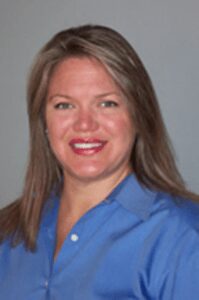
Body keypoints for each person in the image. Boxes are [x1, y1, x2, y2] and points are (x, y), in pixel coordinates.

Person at [0, 24, 199, 300]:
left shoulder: (183, 236)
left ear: (139, 115)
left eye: (107, 103)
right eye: (64, 105)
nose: (84, 124)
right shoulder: (8, 232)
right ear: (43, 122)